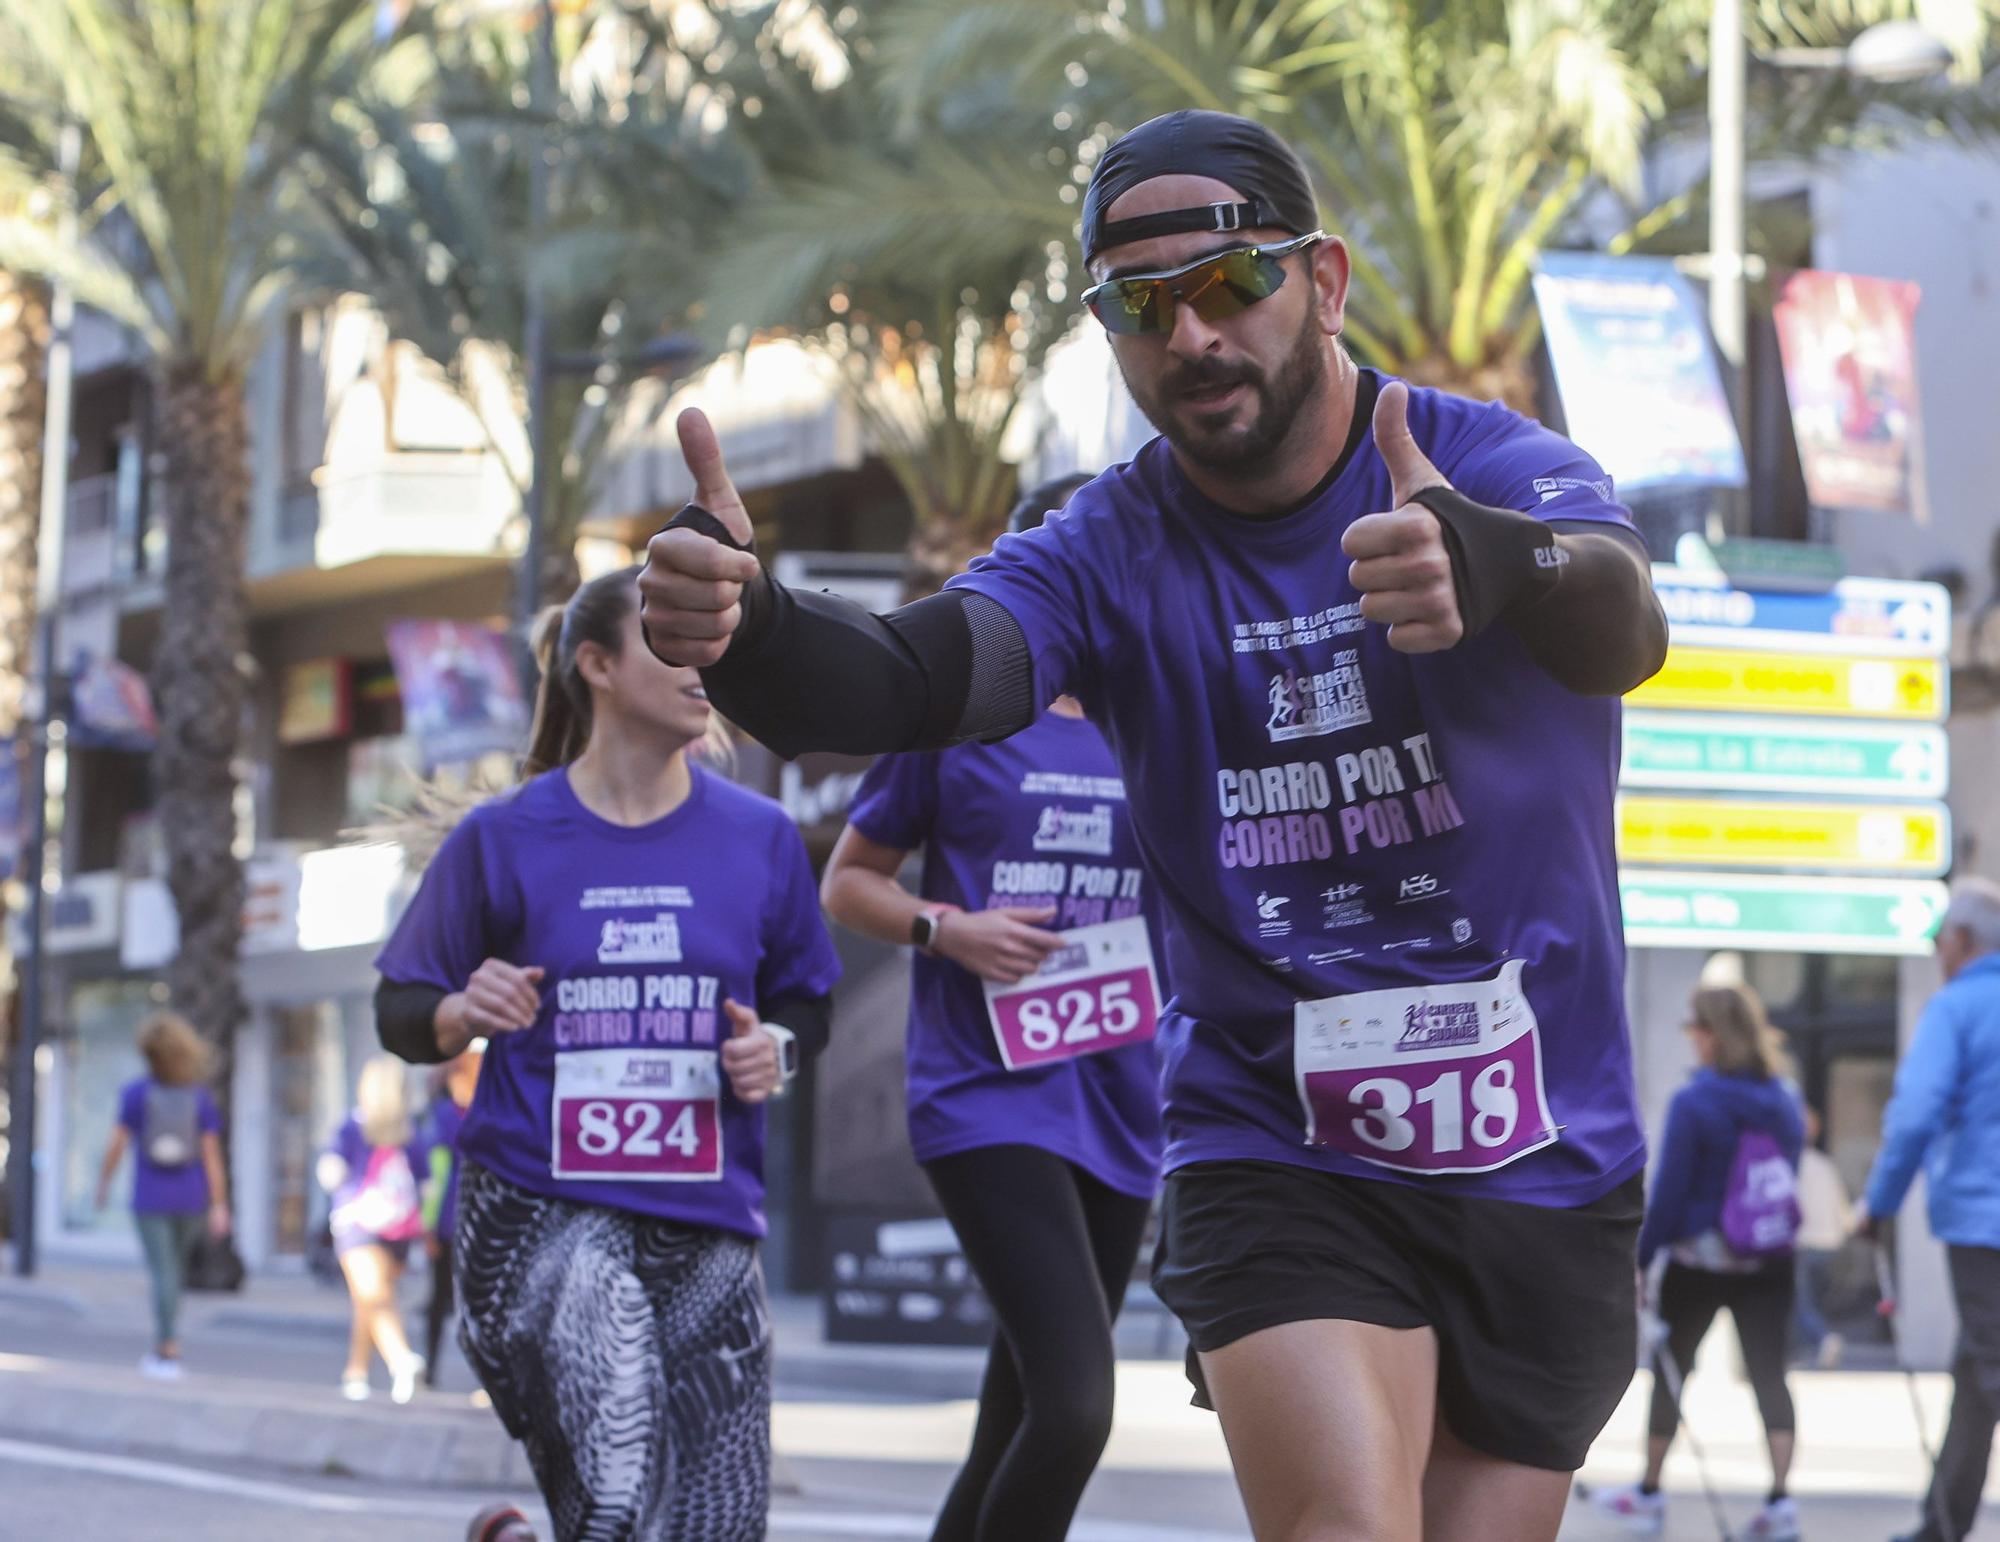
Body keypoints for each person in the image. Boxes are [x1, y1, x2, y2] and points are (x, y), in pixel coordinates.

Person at [640, 107, 1668, 1540]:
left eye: (1230, 283)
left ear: (1326, 279)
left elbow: (1625, 621)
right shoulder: (1106, 548)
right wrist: (752, 633)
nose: (1189, 335)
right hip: (1277, 1132)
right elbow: (918, 676)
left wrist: (1503, 565)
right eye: (1137, 306)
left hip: (1541, 1141)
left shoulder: (1478, 465)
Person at [373, 566, 840, 1542]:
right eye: (668, 640)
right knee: (624, 1477)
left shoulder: (757, 838)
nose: (700, 666)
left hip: (704, 1218)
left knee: (711, 1523)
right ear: (595, 665)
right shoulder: (502, 836)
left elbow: (805, 998)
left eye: (707, 643)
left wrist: (777, 1051)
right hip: (539, 1211)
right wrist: (463, 1007)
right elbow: (400, 1006)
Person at [821, 472, 1166, 1542]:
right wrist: (946, 929)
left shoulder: (1161, 724)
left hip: (1123, 1098)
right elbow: (848, 882)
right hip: (987, 1096)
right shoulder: (960, 725)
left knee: (1014, 1414)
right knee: (1074, 1409)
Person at [1592, 984, 1805, 1540]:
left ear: (1711, 1034)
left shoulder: (1696, 1102)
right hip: (1768, 1254)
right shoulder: (1783, 1099)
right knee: (1769, 1375)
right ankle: (1781, 1503)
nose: (1692, 1041)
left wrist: (1642, 1256)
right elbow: (1786, 1175)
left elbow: (1670, 1192)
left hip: (1700, 1256)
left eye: (1695, 1030)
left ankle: (1650, 1492)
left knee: (1672, 1369)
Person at [1863, 876, 2000, 1542]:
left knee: (1992, 1367)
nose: (1935, 950)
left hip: (1986, 1222)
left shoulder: (1959, 1006)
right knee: (1976, 1370)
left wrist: (1877, 1205)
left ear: (1963, 940)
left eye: (1939, 938)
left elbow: (1915, 1116)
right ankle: (1941, 1526)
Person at [94, 1012, 231, 1380]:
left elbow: (116, 1146)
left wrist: (103, 1185)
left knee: (163, 1272)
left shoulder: (136, 1094)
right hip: (191, 1197)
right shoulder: (198, 1097)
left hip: (151, 1197)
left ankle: (166, 1347)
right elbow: (211, 1156)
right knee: (173, 1271)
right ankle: (169, 1343)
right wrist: (219, 1203)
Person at [320, 1054, 431, 1404]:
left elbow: (331, 1168)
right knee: (374, 1295)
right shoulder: (402, 1129)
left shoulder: (368, 1126)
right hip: (383, 1227)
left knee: (370, 1299)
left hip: (368, 1224)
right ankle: (398, 1360)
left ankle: (360, 1371)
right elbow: (425, 1183)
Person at [419, 1043, 483, 1391]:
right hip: (450, 1221)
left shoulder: (485, 1110)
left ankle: (487, 1380)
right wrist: (428, 1224)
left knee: (476, 1301)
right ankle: (430, 1368)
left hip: (480, 1220)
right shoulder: (445, 1114)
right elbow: (436, 1172)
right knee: (440, 1297)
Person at [1792, 1106, 1851, 1369]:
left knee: (1800, 1300)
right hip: (1830, 1243)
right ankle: (1810, 1346)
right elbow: (1842, 1209)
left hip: (1803, 1242)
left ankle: (1823, 1338)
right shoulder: (1824, 1165)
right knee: (1809, 1297)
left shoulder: (1791, 1163)